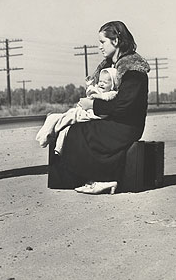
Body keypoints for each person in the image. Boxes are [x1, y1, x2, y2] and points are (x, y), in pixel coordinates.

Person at [47, 21, 150, 195]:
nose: (100, 47)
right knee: (68, 128)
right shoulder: (110, 67)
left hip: (126, 126)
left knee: (78, 132)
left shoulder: (133, 70)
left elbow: (124, 105)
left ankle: (105, 178)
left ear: (115, 41)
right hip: (113, 121)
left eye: (103, 42)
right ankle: (80, 178)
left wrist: (92, 105)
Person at [35, 68, 119, 153]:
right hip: (85, 111)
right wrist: (90, 85)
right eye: (100, 81)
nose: (101, 84)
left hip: (90, 115)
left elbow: (107, 97)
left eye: (105, 82)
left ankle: (46, 134)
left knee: (63, 118)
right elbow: (91, 91)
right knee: (65, 127)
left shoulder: (111, 93)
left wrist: (97, 97)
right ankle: (58, 148)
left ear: (112, 85)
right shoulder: (100, 90)